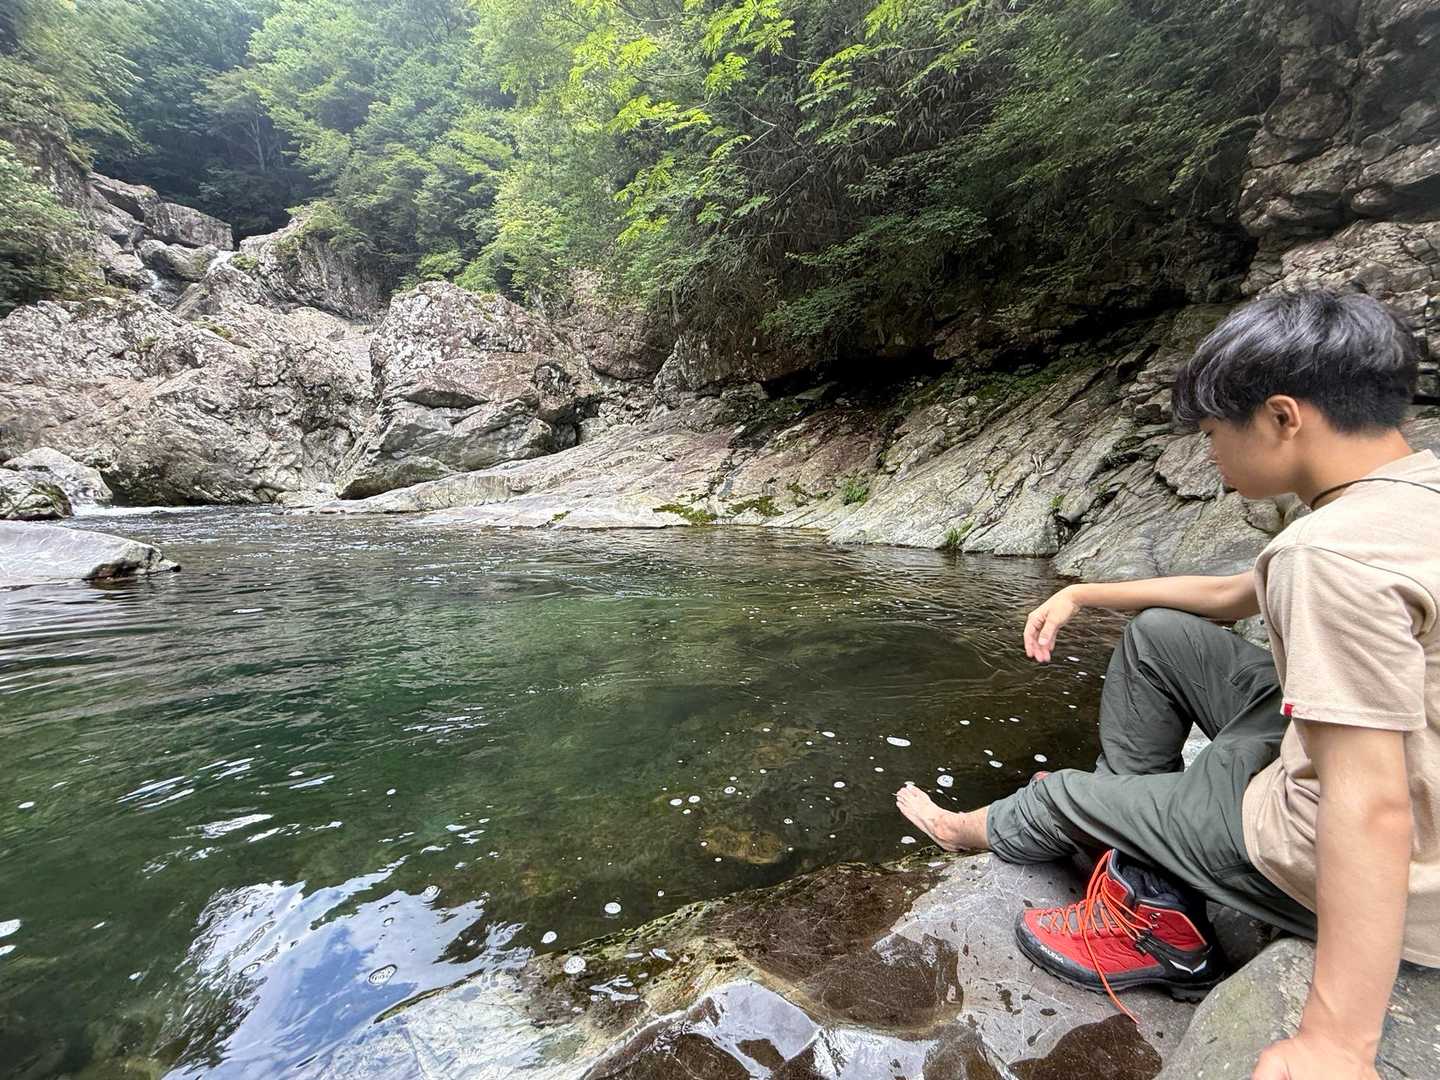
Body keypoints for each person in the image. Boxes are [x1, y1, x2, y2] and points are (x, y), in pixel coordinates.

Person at [896, 287, 1439, 1079]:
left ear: (1282, 417)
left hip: (1378, 859)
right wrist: (1083, 594)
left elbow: (1371, 802)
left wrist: (1337, 1039)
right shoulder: (1405, 494)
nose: (1209, 454)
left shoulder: (1326, 556)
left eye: (1214, 432)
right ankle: (1143, 852)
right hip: (1403, 776)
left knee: (1059, 797)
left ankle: (1127, 901)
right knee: (1158, 637)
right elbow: (1232, 593)